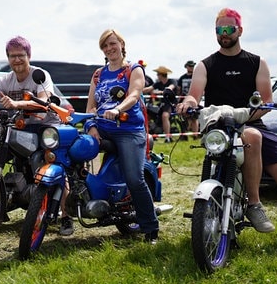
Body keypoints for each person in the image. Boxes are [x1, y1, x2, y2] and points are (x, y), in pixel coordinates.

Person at [176, 8, 277, 247]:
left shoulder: (256, 63)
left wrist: (248, 112)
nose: (224, 34)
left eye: (229, 29)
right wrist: (188, 103)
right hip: (220, 127)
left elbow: (266, 101)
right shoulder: (205, 65)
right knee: (251, 137)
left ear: (240, 30)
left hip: (252, 123)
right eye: (219, 30)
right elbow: (194, 95)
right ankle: (253, 204)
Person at [0, 36, 74, 236]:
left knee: (54, 165)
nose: (16, 60)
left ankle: (66, 216)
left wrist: (17, 104)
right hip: (20, 128)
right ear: (8, 58)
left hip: (46, 127)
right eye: (12, 56)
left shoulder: (40, 75)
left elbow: (44, 102)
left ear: (29, 56)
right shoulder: (5, 80)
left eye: (20, 55)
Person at [85, 29, 159, 244]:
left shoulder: (133, 69)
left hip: (129, 130)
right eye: (105, 46)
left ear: (121, 44)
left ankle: (150, 227)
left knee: (134, 179)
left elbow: (135, 95)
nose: (109, 48)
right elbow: (91, 105)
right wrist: (91, 125)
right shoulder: (98, 74)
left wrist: (118, 109)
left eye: (112, 43)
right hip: (103, 127)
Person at [143, 66, 178, 143]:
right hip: (162, 104)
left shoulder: (172, 81)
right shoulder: (158, 84)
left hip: (170, 103)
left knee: (165, 116)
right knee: (148, 113)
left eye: (158, 74)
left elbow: (170, 88)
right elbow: (148, 89)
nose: (157, 76)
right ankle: (149, 134)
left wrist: (160, 92)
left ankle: (167, 137)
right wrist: (137, 90)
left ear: (161, 75)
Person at [177, 60, 199, 135]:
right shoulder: (182, 78)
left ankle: (195, 135)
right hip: (184, 100)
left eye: (193, 66)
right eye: (190, 66)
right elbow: (179, 89)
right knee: (184, 117)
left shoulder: (197, 76)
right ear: (186, 67)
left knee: (194, 117)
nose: (191, 67)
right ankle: (184, 134)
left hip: (195, 99)